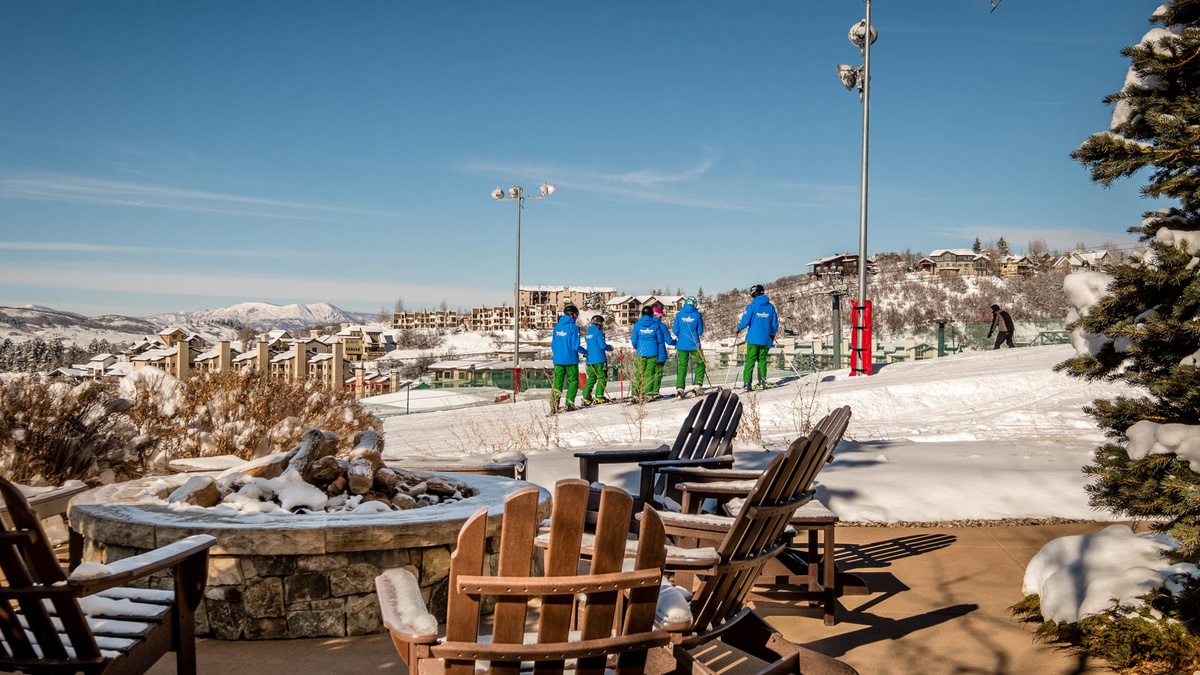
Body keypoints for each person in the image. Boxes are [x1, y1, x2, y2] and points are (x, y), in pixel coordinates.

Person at [736, 284, 778, 390]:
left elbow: (745, 321)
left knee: (750, 360)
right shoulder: (770, 307)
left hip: (753, 339)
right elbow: (774, 324)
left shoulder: (752, 307)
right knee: (762, 360)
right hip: (765, 338)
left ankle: (747, 384)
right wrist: (772, 334)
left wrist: (738, 328)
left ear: (754, 293)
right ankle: (762, 382)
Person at [550, 305, 587, 413]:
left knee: (558, 382)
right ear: (573, 314)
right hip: (570, 359)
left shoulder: (557, 326)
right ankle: (569, 404)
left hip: (558, 359)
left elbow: (553, 344)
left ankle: (554, 406)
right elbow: (575, 346)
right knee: (573, 381)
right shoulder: (573, 327)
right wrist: (585, 352)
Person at [630, 306, 666, 402]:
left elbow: (634, 339)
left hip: (641, 351)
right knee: (650, 372)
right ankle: (648, 393)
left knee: (639, 372)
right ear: (651, 314)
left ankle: (635, 393)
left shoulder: (637, 325)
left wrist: (637, 346)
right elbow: (659, 339)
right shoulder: (655, 325)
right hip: (653, 351)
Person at [673, 296, 706, 397]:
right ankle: (697, 386)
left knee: (682, 366)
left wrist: (682, 336)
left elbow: (675, 330)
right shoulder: (697, 315)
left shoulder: (679, 314)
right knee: (701, 363)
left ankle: (680, 388)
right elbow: (700, 331)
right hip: (694, 344)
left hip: (681, 344)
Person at [581, 314, 613, 405]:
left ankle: (586, 397)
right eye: (602, 323)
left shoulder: (588, 334)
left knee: (591, 378)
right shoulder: (599, 333)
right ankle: (599, 396)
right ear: (599, 323)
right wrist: (610, 347)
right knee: (602, 377)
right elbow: (602, 345)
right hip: (599, 359)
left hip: (589, 359)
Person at [650, 305, 676, 399]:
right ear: (658, 315)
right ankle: (655, 392)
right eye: (661, 316)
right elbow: (668, 340)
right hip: (659, 353)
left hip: (645, 353)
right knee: (658, 373)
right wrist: (676, 342)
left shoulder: (645, 324)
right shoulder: (661, 326)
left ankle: (647, 391)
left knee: (648, 373)